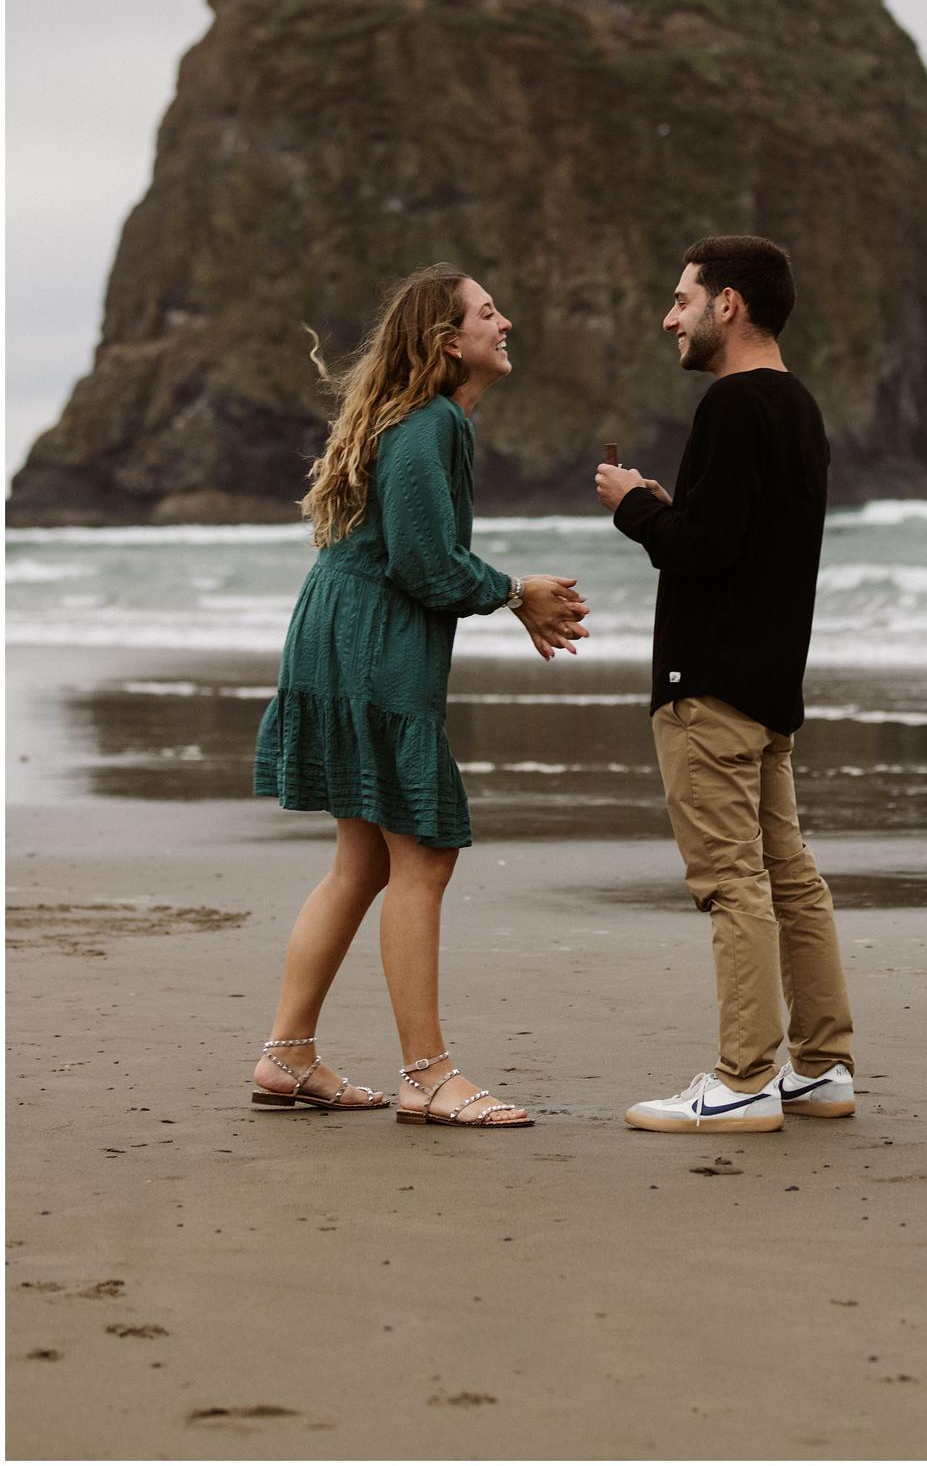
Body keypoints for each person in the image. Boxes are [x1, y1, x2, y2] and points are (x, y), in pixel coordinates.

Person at [251, 263, 588, 1129]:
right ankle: (428, 1075)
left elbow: (416, 556)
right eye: (487, 312)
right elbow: (423, 564)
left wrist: (512, 600)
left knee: (365, 859)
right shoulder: (430, 422)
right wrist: (516, 592)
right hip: (369, 643)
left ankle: (288, 1056)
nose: (505, 322)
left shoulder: (425, 421)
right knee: (423, 855)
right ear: (448, 342)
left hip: (343, 629)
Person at [595, 235, 855, 1134]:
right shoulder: (797, 407)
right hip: (773, 683)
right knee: (790, 878)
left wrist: (633, 504)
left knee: (732, 883)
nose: (670, 317)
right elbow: (743, 541)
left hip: (708, 687)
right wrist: (672, 511)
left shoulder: (731, 405)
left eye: (682, 299)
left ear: (728, 305)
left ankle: (743, 1079)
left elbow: (700, 552)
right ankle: (820, 1069)